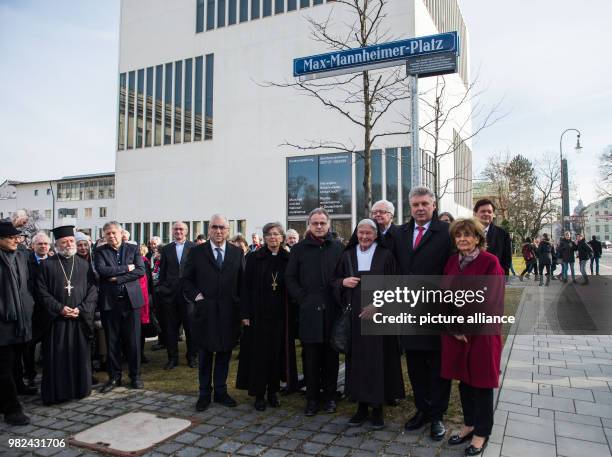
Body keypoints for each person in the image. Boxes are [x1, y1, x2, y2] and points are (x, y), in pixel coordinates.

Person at [391, 186, 451, 441]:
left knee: (438, 367)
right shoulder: (400, 233)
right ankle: (422, 410)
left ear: (434, 205)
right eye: (415, 205)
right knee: (415, 365)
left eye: (425, 204)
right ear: (410, 207)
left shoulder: (447, 233)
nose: (420, 209)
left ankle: (437, 415)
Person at [332, 219, 404, 429]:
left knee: (378, 362)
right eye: (361, 233)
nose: (364, 237)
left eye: (369, 234)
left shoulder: (385, 255)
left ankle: (377, 409)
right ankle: (361, 407)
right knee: (356, 362)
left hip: (378, 316)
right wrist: (343, 282)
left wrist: (378, 305)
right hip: (355, 317)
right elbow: (333, 281)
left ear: (375, 235)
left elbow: (395, 285)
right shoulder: (347, 255)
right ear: (356, 234)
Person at [441, 218, 504, 456]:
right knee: (464, 381)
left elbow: (492, 301)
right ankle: (469, 424)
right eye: (458, 236)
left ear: (478, 238)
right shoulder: (451, 262)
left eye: (467, 235)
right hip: (455, 333)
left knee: (481, 383)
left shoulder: (490, 262)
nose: (462, 239)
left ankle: (482, 432)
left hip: (480, 335)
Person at [286, 208, 343, 417]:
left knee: (331, 358)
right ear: (308, 225)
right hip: (309, 312)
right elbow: (290, 278)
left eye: (322, 223)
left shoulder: (338, 247)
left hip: (331, 312)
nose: (319, 226)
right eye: (315, 223)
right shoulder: (299, 249)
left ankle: (329, 397)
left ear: (329, 225)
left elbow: (343, 276)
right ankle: (311, 399)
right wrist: (302, 298)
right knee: (310, 358)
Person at [182, 214, 243, 411]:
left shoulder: (236, 252)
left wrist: (240, 308)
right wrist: (197, 296)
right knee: (206, 354)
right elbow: (186, 280)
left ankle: (221, 391)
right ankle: (204, 394)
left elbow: (242, 283)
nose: (218, 231)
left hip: (228, 313)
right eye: (214, 227)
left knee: (225, 352)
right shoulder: (197, 252)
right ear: (209, 229)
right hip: (205, 312)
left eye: (222, 227)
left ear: (228, 230)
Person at [35, 226, 97, 405]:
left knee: (79, 355)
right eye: (64, 242)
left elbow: (93, 289)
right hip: (57, 321)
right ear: (57, 244)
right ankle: (58, 393)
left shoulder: (84, 265)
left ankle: (80, 389)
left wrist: (82, 308)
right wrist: (59, 308)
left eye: (71, 241)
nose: (68, 244)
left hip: (79, 319)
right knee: (57, 358)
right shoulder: (47, 265)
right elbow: (41, 292)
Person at [236, 222, 290, 411]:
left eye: (276, 234)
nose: (273, 238)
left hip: (280, 316)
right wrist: (245, 313)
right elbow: (245, 287)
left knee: (276, 354)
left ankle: (273, 391)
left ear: (282, 237)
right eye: (269, 235)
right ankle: (259, 393)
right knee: (259, 355)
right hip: (258, 314)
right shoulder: (254, 258)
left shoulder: (287, 258)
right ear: (264, 238)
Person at [94, 221, 146, 392]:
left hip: (131, 302)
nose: (111, 236)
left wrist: (119, 278)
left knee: (133, 342)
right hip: (110, 303)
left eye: (114, 232)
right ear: (104, 235)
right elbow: (102, 271)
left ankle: (135, 376)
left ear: (121, 233)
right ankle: (114, 377)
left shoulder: (132, 249)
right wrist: (126, 268)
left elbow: (140, 270)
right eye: (107, 233)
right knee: (112, 342)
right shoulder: (100, 251)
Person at [0, 221, 35, 425]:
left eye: (17, 237)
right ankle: (12, 410)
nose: (16, 240)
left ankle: (6, 400)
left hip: (21, 320)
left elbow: (27, 283)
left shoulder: (21, 256)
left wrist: (28, 305)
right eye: (11, 237)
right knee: (3, 368)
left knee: (14, 363)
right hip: (2, 322)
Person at [158, 222, 197, 369]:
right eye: (176, 229)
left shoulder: (194, 247)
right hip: (170, 295)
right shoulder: (166, 249)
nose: (178, 231)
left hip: (188, 295)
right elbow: (162, 271)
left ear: (186, 231)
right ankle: (172, 359)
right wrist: (162, 288)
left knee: (191, 328)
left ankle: (192, 357)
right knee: (171, 329)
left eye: (181, 229)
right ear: (172, 231)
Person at [473, 199, 512, 276]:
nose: (486, 214)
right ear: (475, 213)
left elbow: (506, 262)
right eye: (483, 211)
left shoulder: (503, 235)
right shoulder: (466, 233)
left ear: (493, 214)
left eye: (489, 212)